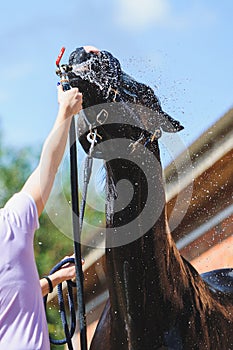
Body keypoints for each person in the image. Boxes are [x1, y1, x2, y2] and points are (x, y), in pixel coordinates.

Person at [0, 82, 83, 349]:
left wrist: (54, 280)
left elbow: (15, 297)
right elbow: (48, 167)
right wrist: (65, 112)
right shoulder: (9, 228)